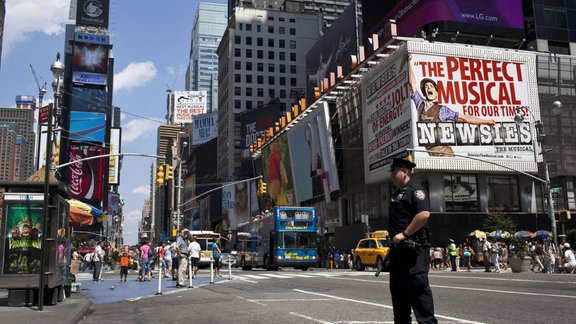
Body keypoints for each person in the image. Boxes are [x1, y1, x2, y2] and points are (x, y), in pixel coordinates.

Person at [407, 54, 496, 156]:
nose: (429, 88)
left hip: (444, 152)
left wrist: (486, 121)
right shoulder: (420, 104)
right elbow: (412, 85)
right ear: (424, 92)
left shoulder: (442, 110)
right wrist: (409, 63)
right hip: (431, 152)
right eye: (426, 87)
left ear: (436, 92)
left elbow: (465, 118)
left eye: (431, 86)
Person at [388, 158, 437, 323]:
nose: (392, 176)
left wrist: (404, 234)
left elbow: (424, 214)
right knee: (398, 294)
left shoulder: (416, 190)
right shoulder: (396, 194)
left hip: (413, 252)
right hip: (398, 252)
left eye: (395, 172)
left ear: (405, 172)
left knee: (418, 292)